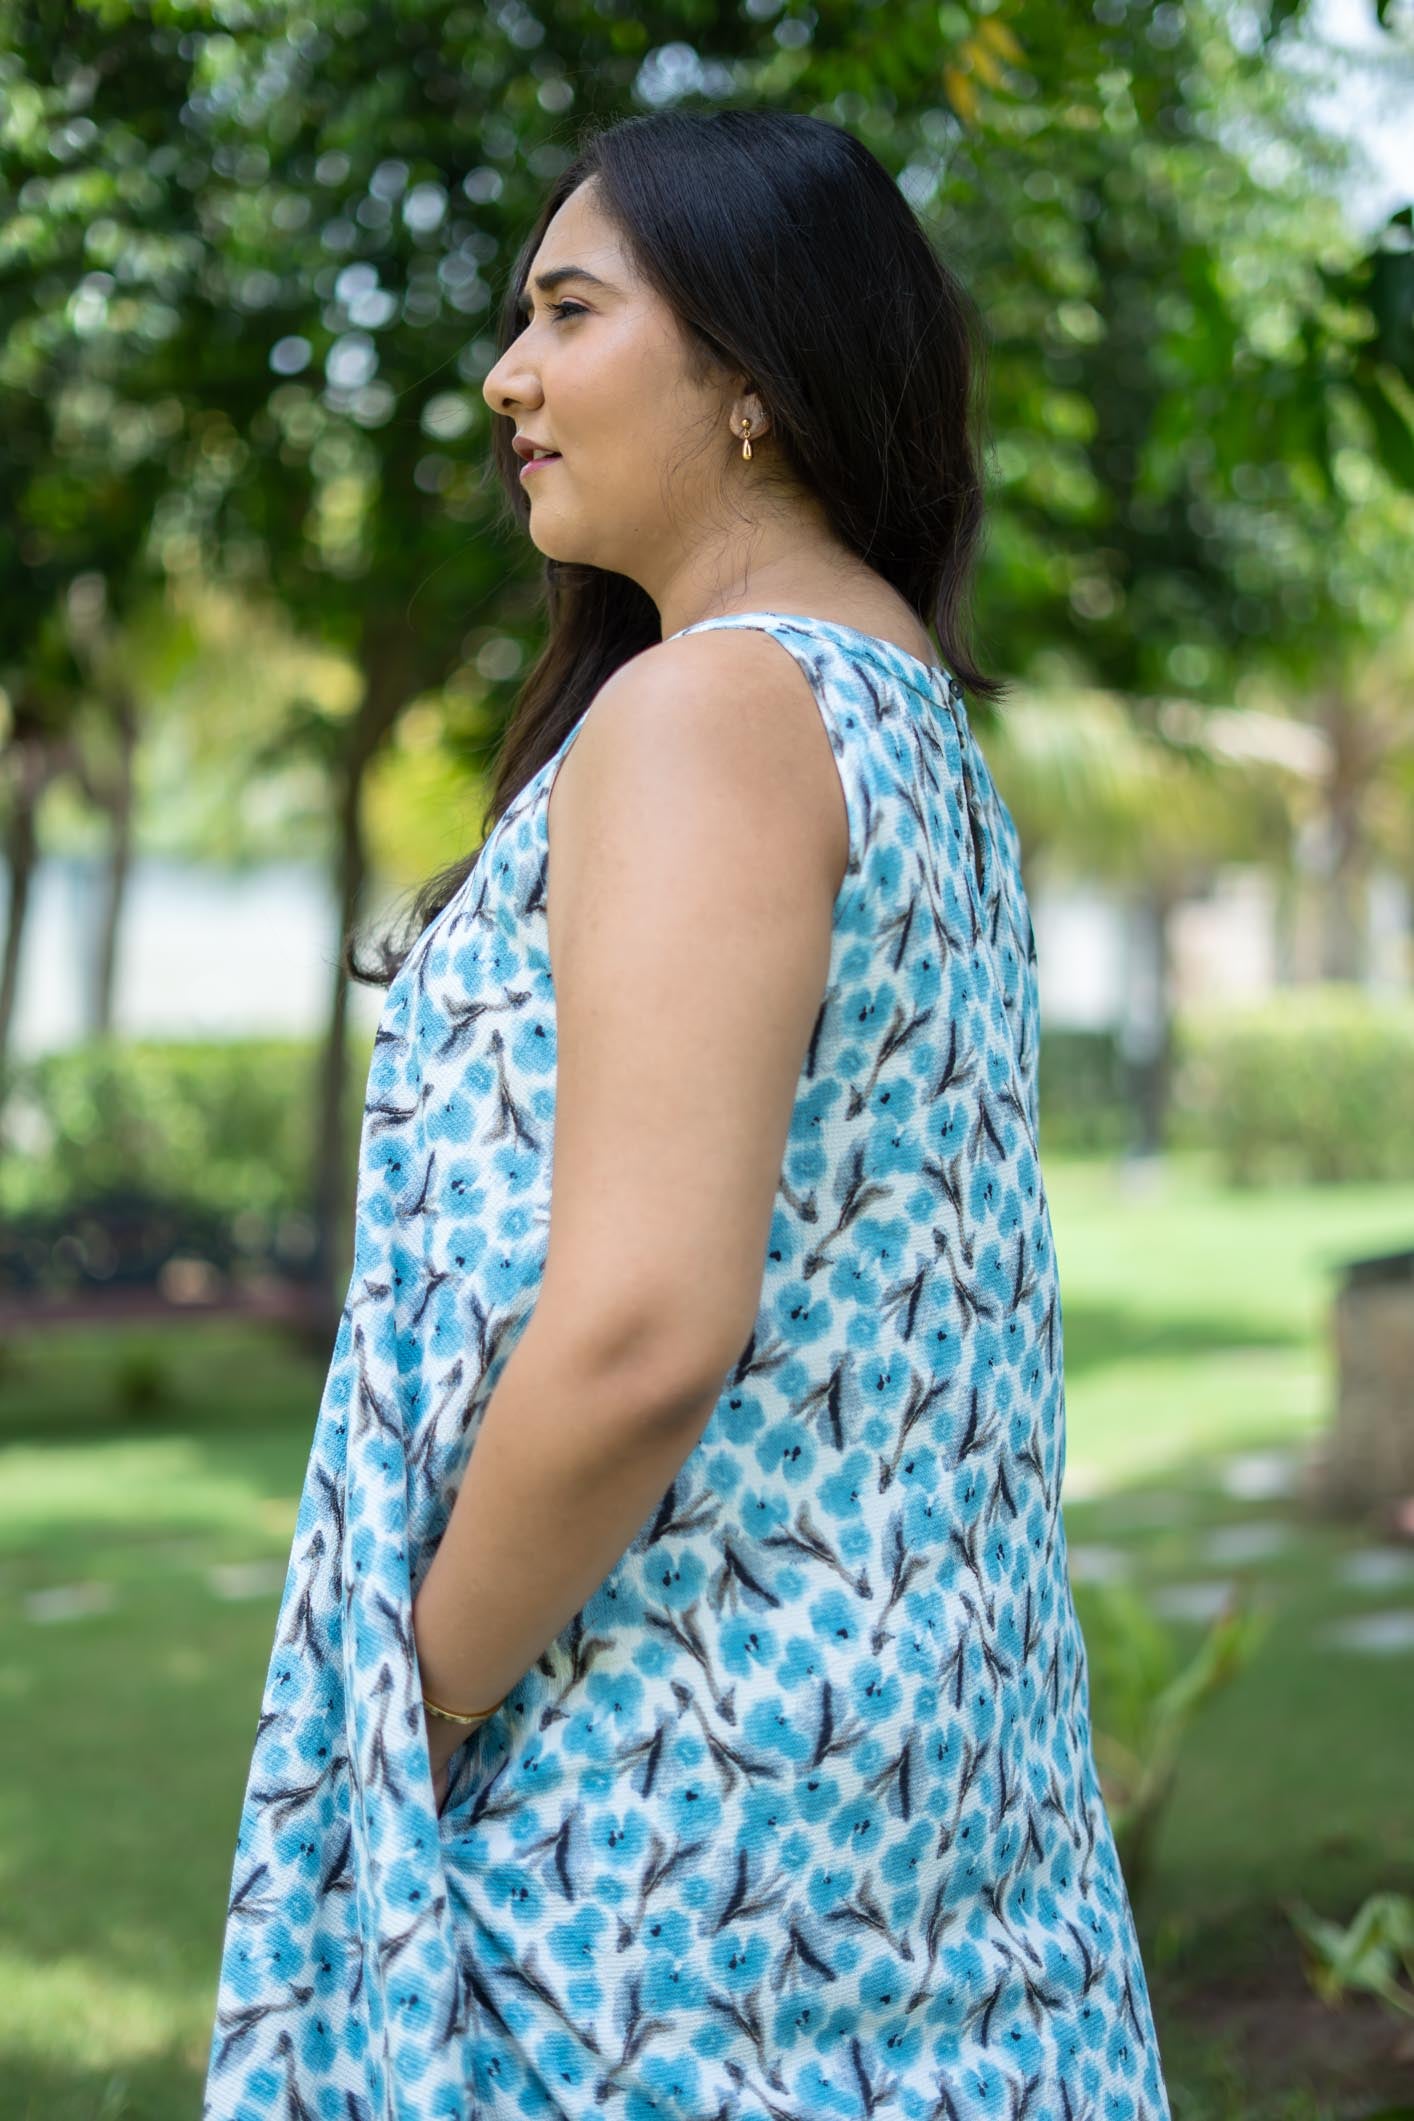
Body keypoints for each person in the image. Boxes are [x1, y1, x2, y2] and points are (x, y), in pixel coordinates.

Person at [202, 106, 1172, 2121]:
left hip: (665, 1801)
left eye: (569, 311)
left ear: (747, 376)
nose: (507, 376)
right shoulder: (883, 699)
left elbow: (645, 1324)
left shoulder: (710, 712)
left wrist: (415, 1702)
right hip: (890, 1780)